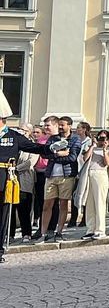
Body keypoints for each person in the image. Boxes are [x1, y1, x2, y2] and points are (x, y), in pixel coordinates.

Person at [0, 107, 58, 261]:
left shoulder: (14, 136)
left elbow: (34, 147)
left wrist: (51, 148)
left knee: (3, 215)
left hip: (5, 177)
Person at [39, 114, 78, 241]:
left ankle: (59, 232)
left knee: (63, 205)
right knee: (47, 205)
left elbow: (72, 157)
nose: (60, 127)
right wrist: (58, 153)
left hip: (66, 176)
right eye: (59, 125)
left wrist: (54, 155)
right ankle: (43, 233)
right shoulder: (52, 138)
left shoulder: (75, 139)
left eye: (63, 125)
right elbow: (45, 154)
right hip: (51, 175)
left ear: (69, 126)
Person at [79, 130, 109, 241]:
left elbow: (107, 163)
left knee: (99, 202)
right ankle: (90, 229)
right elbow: (85, 158)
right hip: (89, 174)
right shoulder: (92, 148)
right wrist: (93, 145)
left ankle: (100, 230)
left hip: (100, 174)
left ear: (108, 140)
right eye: (100, 137)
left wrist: (104, 149)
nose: (101, 140)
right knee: (89, 203)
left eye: (104, 138)